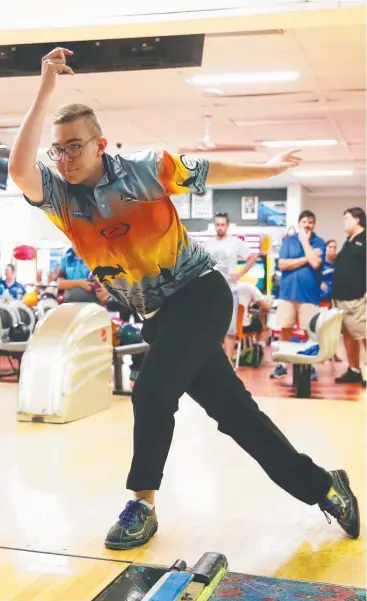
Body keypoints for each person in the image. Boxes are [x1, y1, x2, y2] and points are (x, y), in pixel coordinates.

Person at [9, 47, 359, 550]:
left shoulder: (143, 169)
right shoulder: (59, 196)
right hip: (157, 316)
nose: (63, 158)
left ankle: (141, 505)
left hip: (200, 294)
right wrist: (44, 88)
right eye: (57, 150)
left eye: (74, 147)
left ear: (100, 144)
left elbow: (209, 170)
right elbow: (21, 169)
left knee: (152, 392)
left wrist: (266, 170)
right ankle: (325, 487)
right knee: (238, 418)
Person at [270, 211, 325, 380]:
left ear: (314, 224)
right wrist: (306, 258)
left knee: (311, 332)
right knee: (285, 329)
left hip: (309, 296)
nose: (307, 225)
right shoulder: (288, 241)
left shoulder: (319, 242)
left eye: (310, 222)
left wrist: (305, 242)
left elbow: (316, 263)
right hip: (288, 294)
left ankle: (310, 364)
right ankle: (282, 365)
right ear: (299, 223)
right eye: (304, 221)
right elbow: (282, 264)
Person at [206, 213, 258, 363]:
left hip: (230, 290)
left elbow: (252, 257)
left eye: (222, 224)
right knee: (213, 329)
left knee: (230, 329)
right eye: (217, 224)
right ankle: (214, 363)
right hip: (213, 291)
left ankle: (228, 363)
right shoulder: (208, 244)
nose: (219, 227)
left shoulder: (235, 243)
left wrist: (239, 274)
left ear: (227, 226)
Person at [332, 208, 366, 386]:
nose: (344, 222)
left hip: (357, 298)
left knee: (363, 334)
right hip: (341, 298)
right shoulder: (349, 241)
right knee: (348, 335)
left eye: (346, 218)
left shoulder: (365, 240)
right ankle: (354, 370)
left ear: (357, 220)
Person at [238, 281, 271, 366]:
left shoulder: (223, 286)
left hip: (223, 328)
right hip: (241, 327)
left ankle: (248, 351)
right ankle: (260, 347)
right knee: (265, 328)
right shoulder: (249, 287)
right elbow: (267, 307)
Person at [320, 239, 337, 305]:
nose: (332, 249)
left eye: (334, 247)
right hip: (323, 298)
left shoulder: (338, 263)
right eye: (330, 247)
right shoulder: (319, 263)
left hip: (337, 298)